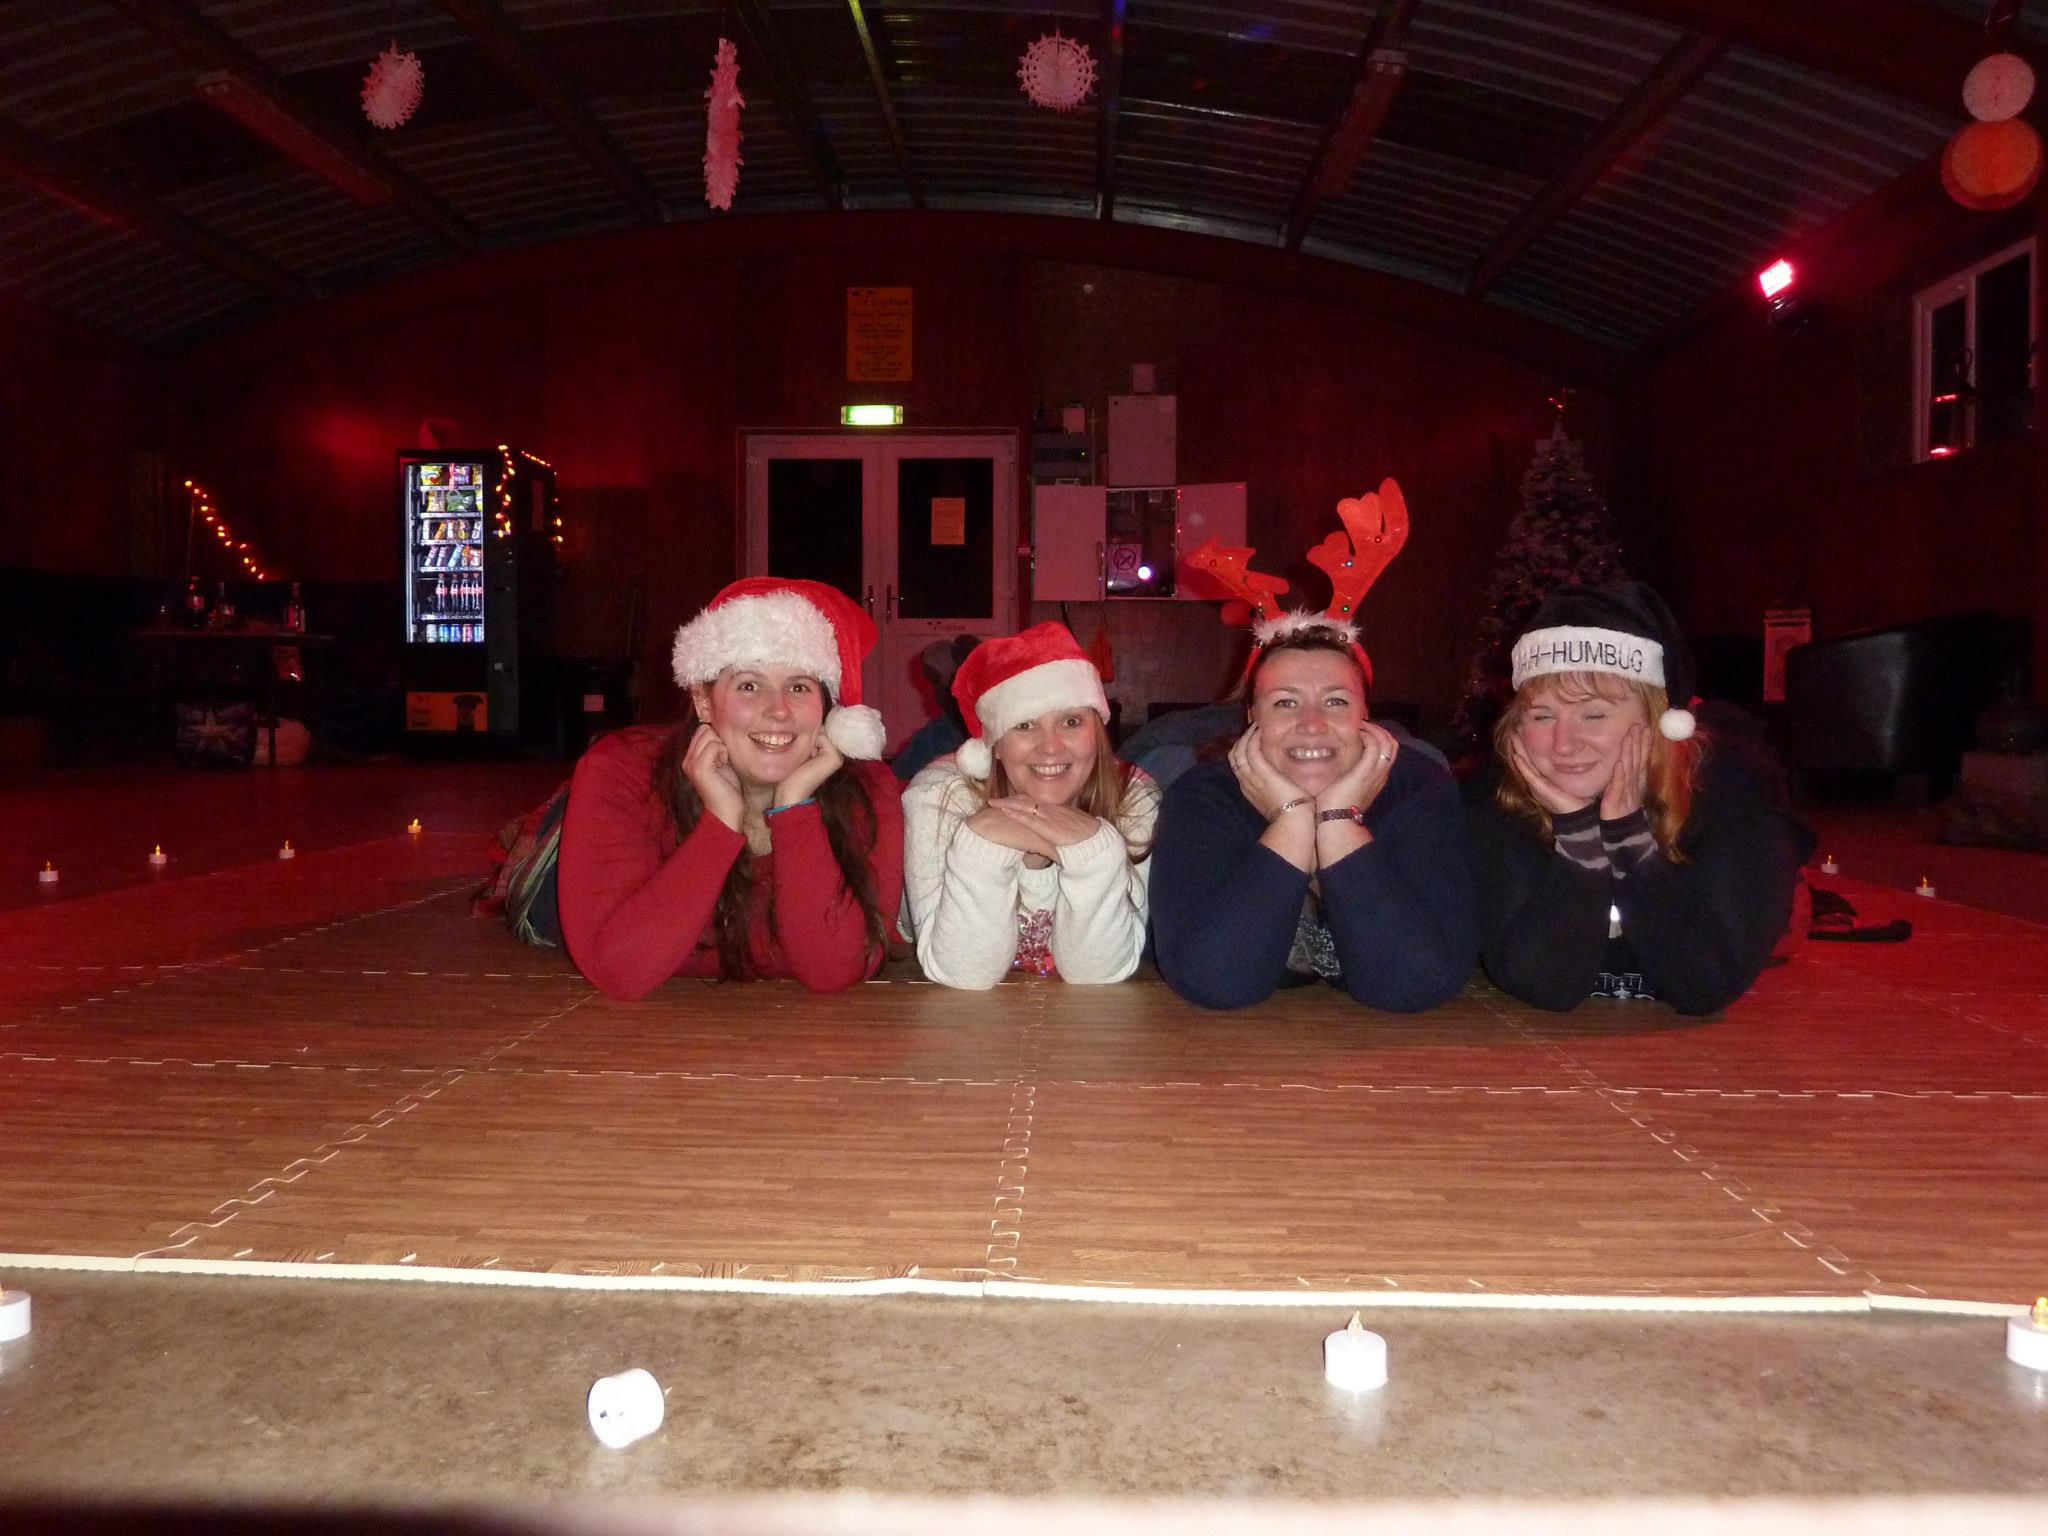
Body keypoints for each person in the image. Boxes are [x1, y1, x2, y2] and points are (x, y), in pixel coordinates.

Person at [1466, 580, 1811, 1014]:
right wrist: (1579, 840)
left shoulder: (1734, 787)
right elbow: (1542, 985)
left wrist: (1628, 837)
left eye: (1594, 714)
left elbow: (1707, 986)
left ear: (1658, 720)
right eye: (1542, 715)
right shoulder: (1499, 793)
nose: (1563, 743)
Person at [557, 577, 904, 1000]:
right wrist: (721, 822)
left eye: (799, 686)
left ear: (826, 710)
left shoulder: (869, 789)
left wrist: (793, 808)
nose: (778, 711)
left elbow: (833, 971)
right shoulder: (622, 770)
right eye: (749, 685)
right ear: (704, 701)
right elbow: (620, 973)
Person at [1149, 614, 1475, 1011]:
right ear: (1252, 716)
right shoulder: (1202, 796)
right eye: (1285, 702)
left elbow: (1416, 985)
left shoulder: (1420, 789)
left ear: (1365, 714)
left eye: (1336, 701)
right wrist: (1292, 823)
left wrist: (1339, 821)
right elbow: (1213, 982)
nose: (1312, 725)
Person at [902, 622, 1159, 988]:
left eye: (1071, 721)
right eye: (1024, 725)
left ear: (1098, 732)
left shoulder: (1132, 798)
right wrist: (983, 841)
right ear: (994, 745)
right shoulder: (940, 795)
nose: (1050, 747)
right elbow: (962, 973)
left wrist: (1093, 853)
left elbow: (1098, 974)